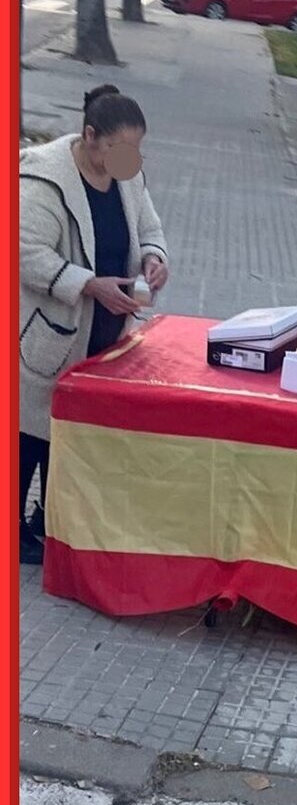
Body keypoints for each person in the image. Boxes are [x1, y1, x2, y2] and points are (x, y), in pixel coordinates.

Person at [18, 85, 169, 565]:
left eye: (136, 148)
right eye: (120, 147)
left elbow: (149, 228)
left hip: (106, 322)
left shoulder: (125, 173)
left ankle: (48, 515)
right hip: (50, 325)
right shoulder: (43, 178)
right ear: (89, 136)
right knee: (32, 426)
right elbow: (25, 253)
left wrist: (154, 258)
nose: (130, 158)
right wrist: (86, 283)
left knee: (72, 428)